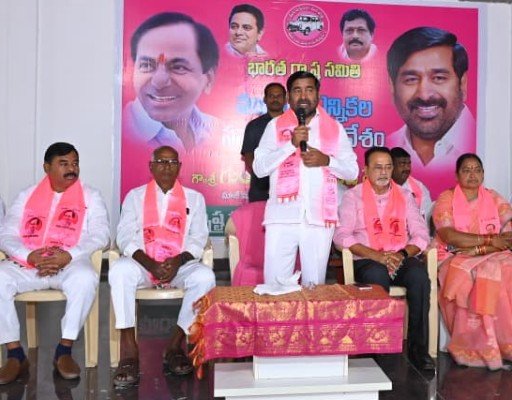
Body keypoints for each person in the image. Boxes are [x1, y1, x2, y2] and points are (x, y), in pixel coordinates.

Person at [0, 142, 109, 384]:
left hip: (69, 263)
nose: (72, 169)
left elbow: (101, 234)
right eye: (64, 164)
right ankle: (15, 354)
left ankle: (64, 349)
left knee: (86, 278)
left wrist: (68, 255)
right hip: (30, 263)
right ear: (47, 167)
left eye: (75, 163)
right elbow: (6, 234)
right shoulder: (26, 195)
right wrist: (30, 255)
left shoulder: (91, 196)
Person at [109, 146, 215, 387]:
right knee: (119, 270)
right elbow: (124, 236)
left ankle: (175, 345)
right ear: (151, 166)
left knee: (205, 277)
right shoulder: (135, 197)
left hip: (178, 265)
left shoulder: (194, 198)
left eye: (172, 162)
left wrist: (178, 261)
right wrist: (150, 263)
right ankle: (128, 351)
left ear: (179, 167)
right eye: (161, 161)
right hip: (144, 264)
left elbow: (198, 238)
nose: (167, 166)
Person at [333, 146, 434, 371]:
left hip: (399, 256)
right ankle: (375, 350)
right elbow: (341, 236)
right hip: (367, 258)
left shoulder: (404, 196)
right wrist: (376, 256)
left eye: (388, 167)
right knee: (377, 276)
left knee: (419, 277)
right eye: (378, 167)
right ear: (366, 170)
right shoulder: (353, 196)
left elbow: (421, 235)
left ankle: (418, 350)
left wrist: (401, 254)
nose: (384, 172)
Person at [253, 71, 358, 286]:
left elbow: (352, 172)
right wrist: (289, 146)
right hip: (282, 217)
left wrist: (326, 160)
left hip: (319, 219)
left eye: (309, 90)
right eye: (297, 91)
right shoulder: (274, 127)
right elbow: (259, 168)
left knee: (314, 287)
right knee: (275, 286)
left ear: (318, 95)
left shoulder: (335, 128)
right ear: (289, 97)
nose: (303, 96)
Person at [433, 153, 512, 370]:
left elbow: (508, 231)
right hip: (452, 256)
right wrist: (490, 241)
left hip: (492, 253)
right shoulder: (446, 199)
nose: (472, 174)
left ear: (483, 174)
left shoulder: (494, 198)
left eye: (477, 170)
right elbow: (449, 236)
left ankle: (505, 344)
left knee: (506, 269)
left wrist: (485, 248)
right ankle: (475, 347)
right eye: (466, 170)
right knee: (477, 274)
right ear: (457, 175)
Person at [386, 27, 475, 198]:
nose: (425, 95)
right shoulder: (390, 144)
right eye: (411, 79)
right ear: (392, 86)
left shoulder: (480, 138)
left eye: (439, 78)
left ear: (462, 84)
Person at [123, 12, 219, 153]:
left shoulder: (218, 132)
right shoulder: (121, 130)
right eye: (147, 65)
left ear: (208, 79)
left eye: (178, 67)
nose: (159, 82)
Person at [241, 82, 286, 202]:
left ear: (286, 99)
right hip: (261, 190)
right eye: (271, 96)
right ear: (265, 99)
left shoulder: (294, 124)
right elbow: (249, 157)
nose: (275, 99)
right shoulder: (254, 126)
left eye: (279, 96)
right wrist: (263, 175)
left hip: (288, 188)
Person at [390, 147, 432, 220]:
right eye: (402, 164)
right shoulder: (380, 186)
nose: (407, 168)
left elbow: (426, 217)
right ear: (391, 166)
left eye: (409, 164)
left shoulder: (419, 188)